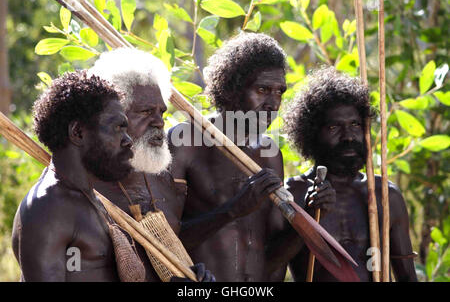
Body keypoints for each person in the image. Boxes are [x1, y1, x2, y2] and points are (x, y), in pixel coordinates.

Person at [168, 32, 290, 281]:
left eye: (280, 92)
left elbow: (274, 253)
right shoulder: (186, 142)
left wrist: (309, 219)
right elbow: (160, 242)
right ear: (232, 89)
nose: (273, 104)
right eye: (263, 89)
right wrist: (233, 210)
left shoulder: (270, 154)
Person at [87, 48, 214, 282]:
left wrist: (195, 276)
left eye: (161, 112)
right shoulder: (77, 191)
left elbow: (177, 249)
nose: (159, 122)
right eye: (145, 112)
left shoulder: (161, 178)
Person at [283, 67, 418, 282]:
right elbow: (269, 270)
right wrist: (306, 219)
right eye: (334, 127)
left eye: (355, 125)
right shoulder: (293, 195)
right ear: (311, 134)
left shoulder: (386, 195)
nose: (348, 137)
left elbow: (408, 277)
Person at [12, 71, 135, 281]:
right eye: (117, 128)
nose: (128, 140)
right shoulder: (49, 208)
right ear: (78, 132)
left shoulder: (88, 197)